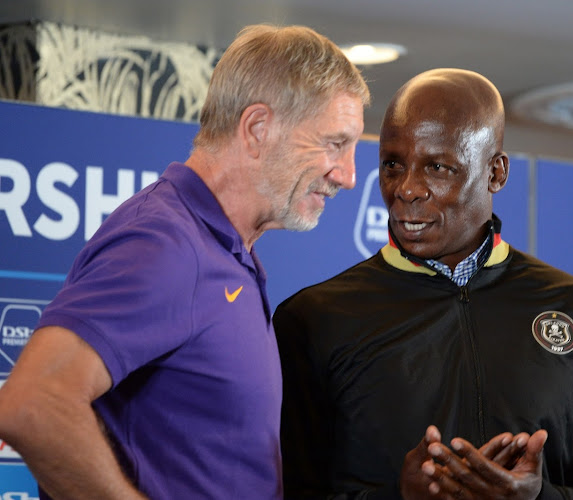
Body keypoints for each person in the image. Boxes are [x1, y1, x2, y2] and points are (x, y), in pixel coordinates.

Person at [0, 24, 369, 499]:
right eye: (334, 143)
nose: (350, 175)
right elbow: (34, 402)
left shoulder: (225, 248)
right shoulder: (166, 242)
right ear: (258, 129)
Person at [273, 68, 573, 499]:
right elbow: (281, 492)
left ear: (495, 173)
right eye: (393, 165)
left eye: (437, 167)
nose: (406, 189)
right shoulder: (313, 320)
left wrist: (536, 498)